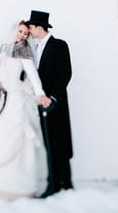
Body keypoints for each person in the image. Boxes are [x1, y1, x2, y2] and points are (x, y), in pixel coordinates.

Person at [0, 21, 52, 199]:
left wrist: (40, 93)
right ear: (14, 30)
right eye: (20, 31)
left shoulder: (22, 50)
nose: (23, 35)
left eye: (26, 33)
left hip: (16, 101)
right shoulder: (2, 48)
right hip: (2, 100)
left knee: (16, 141)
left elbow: (32, 74)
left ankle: (16, 187)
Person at [25, 10, 73, 198]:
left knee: (59, 141)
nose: (29, 30)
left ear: (39, 27)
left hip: (56, 102)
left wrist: (53, 98)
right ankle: (56, 182)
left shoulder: (59, 45)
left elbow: (65, 74)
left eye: (31, 27)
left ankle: (62, 183)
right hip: (41, 102)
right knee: (49, 142)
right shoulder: (35, 47)